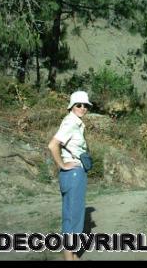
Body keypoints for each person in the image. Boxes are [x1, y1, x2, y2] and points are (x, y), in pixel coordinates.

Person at [48, 91, 93, 261]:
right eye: (78, 105)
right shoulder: (71, 123)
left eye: (85, 105)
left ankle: (73, 255)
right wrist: (62, 164)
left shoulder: (75, 123)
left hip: (74, 174)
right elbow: (53, 145)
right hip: (73, 173)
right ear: (72, 106)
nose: (83, 108)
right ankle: (69, 258)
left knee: (73, 216)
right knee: (73, 220)